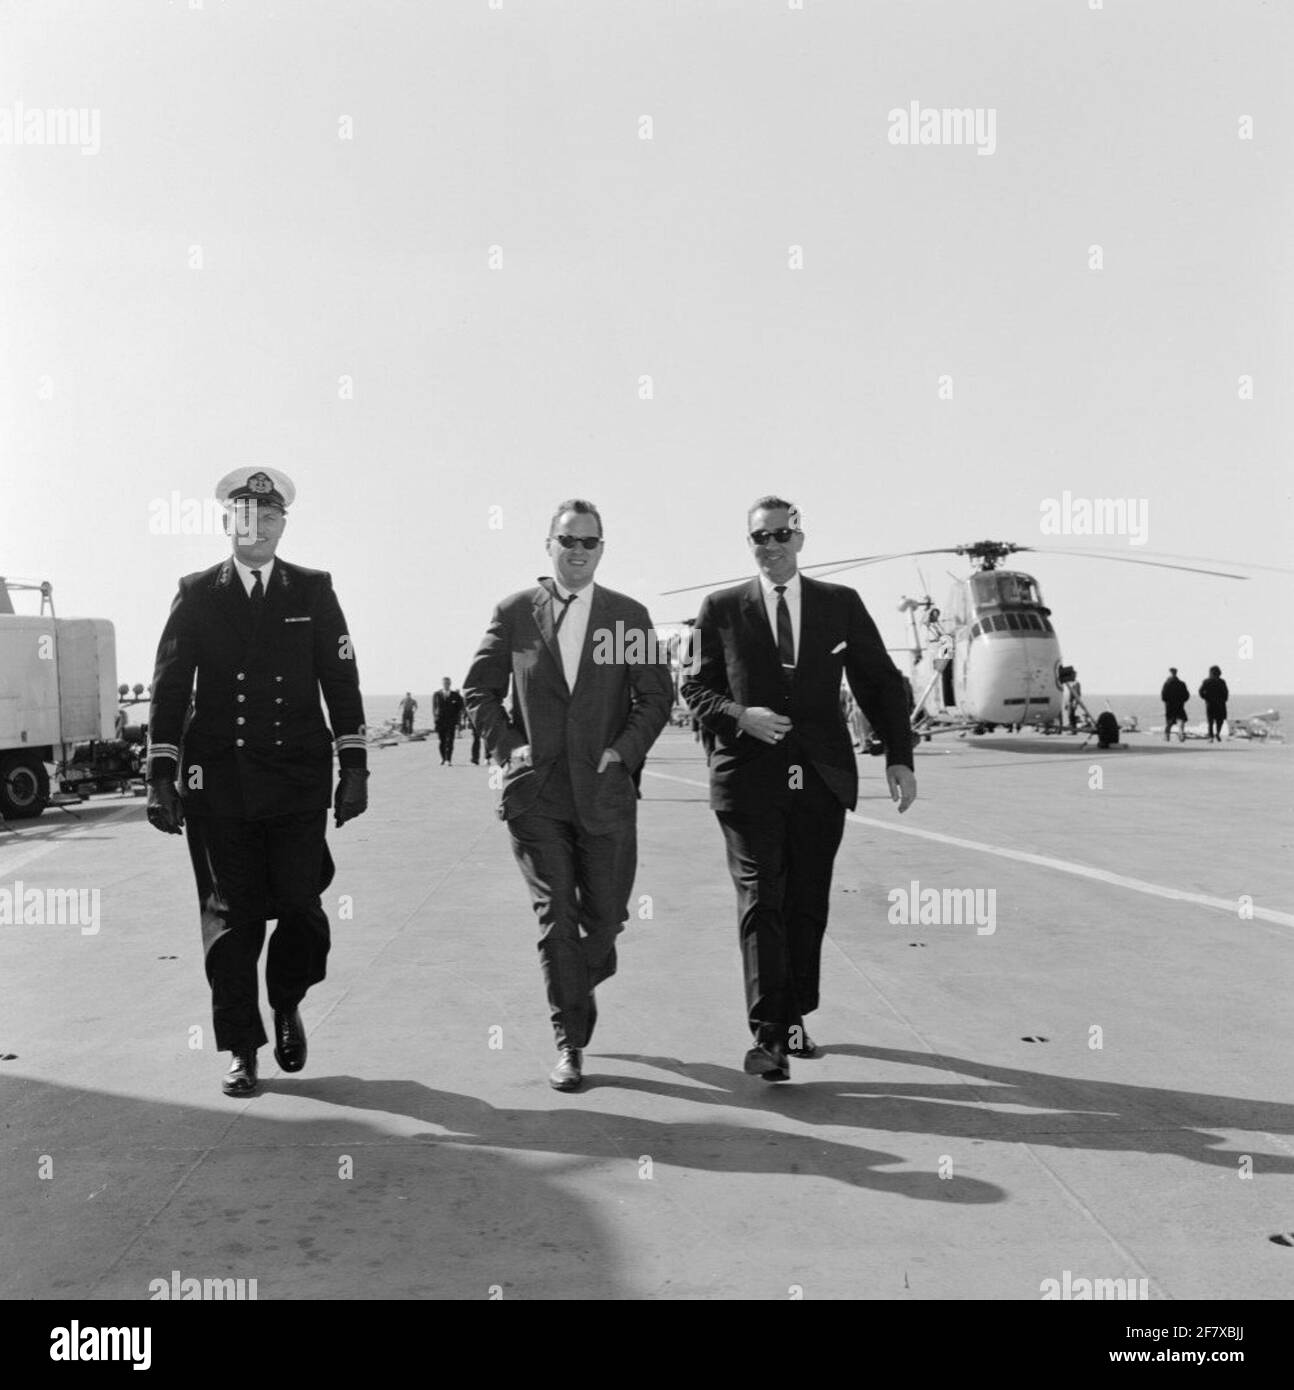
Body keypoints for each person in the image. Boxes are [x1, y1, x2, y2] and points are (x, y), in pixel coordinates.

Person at [145, 468, 368, 1098]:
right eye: (246, 516)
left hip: (296, 777)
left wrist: (354, 766)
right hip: (218, 781)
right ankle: (243, 1046)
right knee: (231, 918)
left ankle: (287, 998)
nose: (257, 527)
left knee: (300, 903)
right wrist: (160, 776)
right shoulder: (196, 594)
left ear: (282, 526)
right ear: (227, 523)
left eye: (269, 517)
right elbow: (168, 689)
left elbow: (342, 681)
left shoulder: (313, 590)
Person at [681, 496, 916, 1083]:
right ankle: (769, 1039)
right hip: (747, 778)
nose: (772, 545)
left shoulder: (841, 605)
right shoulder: (721, 608)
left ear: (801, 539)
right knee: (763, 898)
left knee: (806, 903)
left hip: (820, 777)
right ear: (750, 544)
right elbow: (695, 688)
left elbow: (879, 683)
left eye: (781, 534)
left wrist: (899, 758)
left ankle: (792, 1020)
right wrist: (741, 715)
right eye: (760, 537)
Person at [463, 498, 672, 1091]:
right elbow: (479, 692)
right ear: (547, 545)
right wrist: (509, 749)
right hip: (538, 796)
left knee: (603, 921)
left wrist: (622, 753)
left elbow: (656, 697)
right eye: (567, 541)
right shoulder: (515, 614)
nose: (577, 552)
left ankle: (584, 975)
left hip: (605, 793)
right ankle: (569, 1042)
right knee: (556, 917)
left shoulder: (627, 617)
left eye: (589, 543)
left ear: (602, 549)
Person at [432, 677, 464, 765]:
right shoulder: (437, 694)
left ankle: (448, 759)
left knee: (450, 740)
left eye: (448, 683)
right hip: (440, 721)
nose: (446, 685)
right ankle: (443, 758)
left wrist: (458, 721)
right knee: (442, 741)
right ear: (442, 684)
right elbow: (434, 708)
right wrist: (435, 720)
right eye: (445, 683)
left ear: (450, 684)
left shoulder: (455, 695)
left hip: (451, 721)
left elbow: (460, 708)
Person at [1199, 665, 1229, 742]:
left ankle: (1211, 736)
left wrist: (1205, 698)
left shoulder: (1206, 681)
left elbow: (1200, 691)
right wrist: (1224, 699)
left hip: (1210, 703)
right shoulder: (1222, 681)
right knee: (1220, 720)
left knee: (1210, 721)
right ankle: (1217, 733)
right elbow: (1226, 692)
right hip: (1220, 703)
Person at [1161, 667, 1190, 743]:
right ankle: (1181, 732)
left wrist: (1167, 701)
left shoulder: (1167, 684)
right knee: (1181, 720)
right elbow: (1186, 695)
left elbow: (1163, 696)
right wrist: (1183, 701)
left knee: (1169, 722)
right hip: (1179, 704)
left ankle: (1167, 736)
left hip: (1170, 705)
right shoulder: (1182, 684)